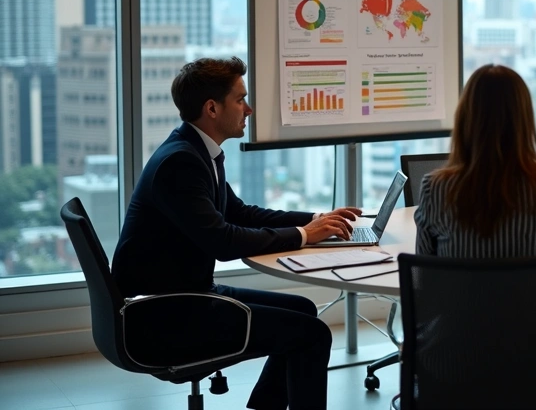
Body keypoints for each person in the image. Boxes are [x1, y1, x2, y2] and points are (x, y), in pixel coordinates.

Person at [112, 57, 360, 410]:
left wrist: (318, 218)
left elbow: (240, 213)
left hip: (186, 294)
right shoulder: (180, 163)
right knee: (312, 335)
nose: (250, 109)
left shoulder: (196, 150)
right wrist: (305, 235)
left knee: (303, 310)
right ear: (212, 108)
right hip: (166, 313)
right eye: (241, 99)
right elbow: (223, 241)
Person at [414, 64, 536, 257]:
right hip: (532, 288)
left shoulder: (435, 189)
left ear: (466, 119)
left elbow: (423, 271)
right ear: (525, 121)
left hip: (460, 289)